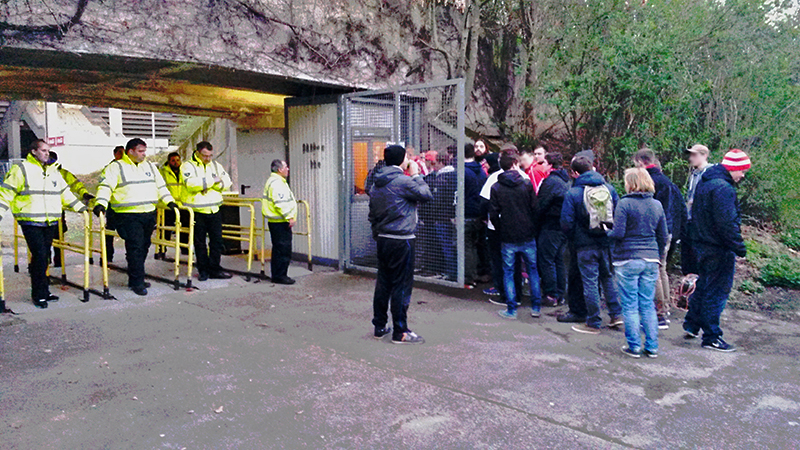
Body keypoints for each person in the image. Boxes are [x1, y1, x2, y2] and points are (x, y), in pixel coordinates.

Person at [0, 140, 87, 308]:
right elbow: (6, 193)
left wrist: (82, 208)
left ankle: (44, 291)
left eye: (48, 150)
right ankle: (38, 294)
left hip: (50, 221)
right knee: (40, 257)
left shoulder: (54, 171)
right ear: (33, 151)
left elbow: (65, 193)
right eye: (44, 150)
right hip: (31, 221)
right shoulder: (21, 169)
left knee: (44, 257)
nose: (47, 153)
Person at [683, 149, 750, 352]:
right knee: (717, 292)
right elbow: (726, 223)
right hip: (718, 247)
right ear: (734, 168)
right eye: (742, 171)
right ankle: (711, 336)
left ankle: (692, 324)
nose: (743, 176)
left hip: (702, 244)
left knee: (703, 286)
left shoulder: (705, 182)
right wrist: (739, 247)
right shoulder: (723, 189)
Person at [94, 138, 177, 296]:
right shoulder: (116, 167)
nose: (144, 154)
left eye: (145, 151)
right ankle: (137, 282)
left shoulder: (150, 167)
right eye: (140, 151)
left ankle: (135, 276)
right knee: (136, 247)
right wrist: (101, 204)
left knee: (144, 246)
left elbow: (160, 186)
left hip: (148, 213)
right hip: (128, 215)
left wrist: (169, 202)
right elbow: (105, 186)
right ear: (130, 151)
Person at [368, 144, 433, 344]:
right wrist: (416, 175)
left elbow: (372, 214)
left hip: (384, 238)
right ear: (402, 159)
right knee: (401, 285)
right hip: (402, 239)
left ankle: (379, 326)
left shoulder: (376, 183)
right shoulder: (404, 181)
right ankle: (400, 331)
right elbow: (426, 195)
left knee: (384, 282)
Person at [608, 168, 668, 358]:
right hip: (650, 258)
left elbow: (618, 233)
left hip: (627, 258)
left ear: (631, 183)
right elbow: (663, 235)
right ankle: (652, 346)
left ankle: (634, 346)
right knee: (647, 304)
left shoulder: (625, 204)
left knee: (630, 305)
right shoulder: (657, 205)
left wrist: (605, 232)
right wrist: (657, 254)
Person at [561, 155, 623, 334]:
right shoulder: (609, 189)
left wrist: (574, 238)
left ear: (574, 173)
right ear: (593, 167)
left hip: (584, 245)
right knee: (607, 278)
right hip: (605, 242)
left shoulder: (573, 193)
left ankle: (593, 321)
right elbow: (617, 215)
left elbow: (566, 222)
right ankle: (616, 315)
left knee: (589, 282)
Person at [633, 148, 686, 330]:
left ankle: (659, 313)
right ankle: (664, 309)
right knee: (661, 270)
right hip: (667, 231)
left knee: (653, 272)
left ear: (641, 162)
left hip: (655, 232)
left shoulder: (651, 181)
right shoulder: (666, 181)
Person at [490, 152, 542, 319]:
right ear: (514, 164)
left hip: (508, 235)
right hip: (527, 234)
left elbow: (493, 213)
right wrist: (533, 226)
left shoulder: (496, 187)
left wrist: (500, 228)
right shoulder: (526, 184)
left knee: (509, 272)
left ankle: (511, 308)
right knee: (533, 270)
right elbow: (535, 208)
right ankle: (536, 307)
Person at [181, 142, 233, 281]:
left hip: (214, 209)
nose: (208, 159)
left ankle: (215, 269)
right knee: (200, 243)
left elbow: (227, 182)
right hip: (197, 210)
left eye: (210, 155)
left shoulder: (216, 165)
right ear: (197, 153)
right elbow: (191, 185)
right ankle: (203, 270)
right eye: (205, 156)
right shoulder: (188, 166)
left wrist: (208, 184)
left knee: (216, 242)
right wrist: (213, 180)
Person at [48, 151, 94, 267]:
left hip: (58, 210)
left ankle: (58, 262)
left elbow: (76, 185)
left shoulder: (63, 174)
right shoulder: (36, 173)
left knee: (58, 236)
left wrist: (84, 194)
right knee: (44, 239)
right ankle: (45, 262)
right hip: (41, 211)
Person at [536, 152, 569, 307]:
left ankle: (551, 294)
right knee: (558, 260)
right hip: (562, 226)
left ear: (549, 165)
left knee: (547, 259)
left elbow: (541, 205)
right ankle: (560, 293)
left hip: (550, 226)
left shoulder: (551, 182)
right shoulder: (565, 181)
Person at [263, 159, 298, 285]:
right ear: (279, 170)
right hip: (280, 221)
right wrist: (289, 216)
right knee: (283, 249)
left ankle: (278, 274)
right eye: (286, 167)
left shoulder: (277, 181)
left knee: (279, 248)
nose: (288, 169)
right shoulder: (277, 183)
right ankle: (280, 275)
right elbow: (280, 203)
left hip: (277, 221)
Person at [682, 144, 713, 275]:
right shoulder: (694, 174)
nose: (691, 158)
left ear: (704, 155)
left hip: (702, 223)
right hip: (691, 220)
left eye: (695, 155)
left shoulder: (709, 174)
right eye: (691, 155)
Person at [464, 143, 488, 286]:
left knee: (466, 246)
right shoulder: (481, 171)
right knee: (477, 244)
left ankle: (468, 277)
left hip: (466, 213)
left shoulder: (462, 172)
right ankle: (480, 272)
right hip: (478, 212)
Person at [158, 151, 190, 257]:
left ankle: (185, 248)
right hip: (168, 205)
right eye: (173, 160)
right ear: (168, 161)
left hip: (183, 204)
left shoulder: (185, 171)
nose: (176, 162)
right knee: (166, 228)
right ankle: (162, 249)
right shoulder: (163, 172)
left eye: (177, 160)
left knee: (185, 228)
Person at [103, 146, 125, 263]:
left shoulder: (128, 167)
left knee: (128, 233)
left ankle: (129, 257)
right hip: (113, 205)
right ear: (115, 154)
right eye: (120, 153)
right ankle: (107, 256)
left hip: (125, 206)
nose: (123, 155)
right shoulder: (109, 168)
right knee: (109, 232)